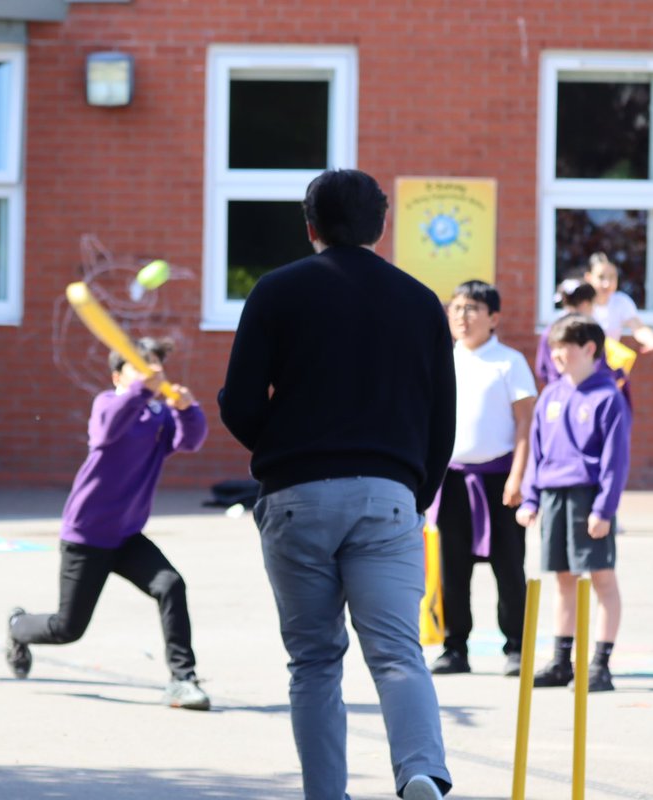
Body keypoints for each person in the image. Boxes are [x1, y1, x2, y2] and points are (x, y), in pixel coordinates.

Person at [219, 168, 455, 800]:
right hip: (388, 493)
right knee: (398, 651)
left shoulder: (276, 290)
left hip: (297, 494)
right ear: (382, 226)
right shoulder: (420, 301)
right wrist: (416, 493)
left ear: (310, 227)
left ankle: (326, 794)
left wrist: (282, 452)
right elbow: (442, 418)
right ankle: (420, 772)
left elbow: (239, 403)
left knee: (315, 661)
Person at [5, 337, 211, 710]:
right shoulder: (107, 404)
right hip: (87, 536)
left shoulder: (159, 415)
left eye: (156, 366)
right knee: (68, 628)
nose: (152, 373)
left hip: (127, 536)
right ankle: (18, 627)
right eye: (140, 366)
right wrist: (140, 391)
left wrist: (187, 409)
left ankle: (183, 679)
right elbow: (106, 431)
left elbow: (190, 441)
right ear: (117, 376)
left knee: (171, 585)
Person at [515, 314, 630, 693]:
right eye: (553, 347)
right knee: (563, 579)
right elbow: (537, 453)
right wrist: (531, 497)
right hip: (554, 496)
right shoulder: (551, 395)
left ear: (589, 348)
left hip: (588, 497)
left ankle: (600, 663)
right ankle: (561, 661)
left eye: (563, 347)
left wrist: (603, 510)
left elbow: (615, 461)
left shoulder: (607, 397)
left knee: (601, 579)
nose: (556, 355)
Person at [430, 280, 536, 679]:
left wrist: (518, 476)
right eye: (456, 307)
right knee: (452, 570)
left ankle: (517, 646)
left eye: (472, 308)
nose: (462, 316)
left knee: (508, 567)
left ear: (493, 317)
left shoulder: (508, 362)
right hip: (452, 481)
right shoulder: (442, 360)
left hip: (499, 480)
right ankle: (454, 647)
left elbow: (525, 423)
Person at [537, 279, 633, 408]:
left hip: (556, 400)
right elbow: (599, 367)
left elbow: (541, 370)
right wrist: (619, 373)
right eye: (593, 305)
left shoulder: (549, 331)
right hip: (587, 400)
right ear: (585, 304)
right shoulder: (589, 333)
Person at [585, 252, 653, 353]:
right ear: (588, 277)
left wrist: (651, 340)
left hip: (607, 361)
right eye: (601, 277)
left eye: (612, 277)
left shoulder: (621, 302)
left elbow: (637, 326)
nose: (607, 283)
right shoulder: (579, 302)